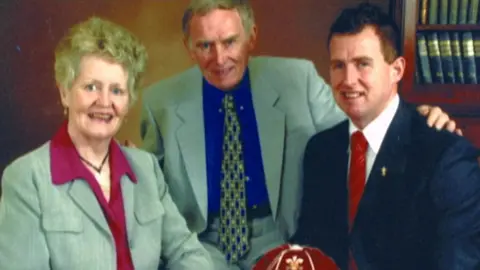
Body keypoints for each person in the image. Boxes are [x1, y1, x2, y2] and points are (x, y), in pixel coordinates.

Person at [139, 0, 459, 269]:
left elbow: (359, 126)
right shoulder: (160, 102)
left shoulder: (297, 79)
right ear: (188, 48)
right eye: (205, 45)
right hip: (201, 246)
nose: (219, 58)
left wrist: (417, 117)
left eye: (230, 42)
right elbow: (149, 192)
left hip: (281, 240)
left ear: (252, 36)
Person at [0, 17, 212, 270]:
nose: (104, 102)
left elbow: (189, 254)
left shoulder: (145, 168)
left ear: (128, 101)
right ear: (64, 92)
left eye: (117, 91)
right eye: (91, 87)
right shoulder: (27, 178)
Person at [294, 3, 480, 270]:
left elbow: (458, 263)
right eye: (338, 65)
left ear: (397, 70)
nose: (348, 79)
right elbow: (310, 248)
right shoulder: (320, 150)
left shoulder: (446, 156)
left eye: (362, 64)